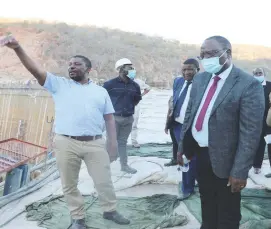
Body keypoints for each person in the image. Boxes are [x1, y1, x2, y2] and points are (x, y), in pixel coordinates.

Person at [2, 35, 130, 229]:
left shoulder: (101, 91)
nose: (71, 67)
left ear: (89, 69)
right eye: (69, 64)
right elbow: (35, 70)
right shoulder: (59, 84)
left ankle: (110, 210)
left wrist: (112, 143)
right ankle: (77, 218)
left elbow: (109, 118)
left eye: (77, 64)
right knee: (69, 183)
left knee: (104, 181)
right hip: (66, 142)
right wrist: (18, 48)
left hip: (95, 143)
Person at [177, 36, 265, 229]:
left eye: (212, 53)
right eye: (203, 54)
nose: (206, 57)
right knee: (207, 201)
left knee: (228, 212)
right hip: (201, 154)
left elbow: (250, 133)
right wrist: (183, 146)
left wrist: (240, 171)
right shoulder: (200, 79)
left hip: (228, 160)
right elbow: (190, 114)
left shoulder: (248, 84)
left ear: (228, 54)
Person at [164, 59, 199, 200]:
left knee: (190, 157)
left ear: (197, 69)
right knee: (185, 156)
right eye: (184, 70)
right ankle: (188, 186)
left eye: (190, 69)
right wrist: (168, 122)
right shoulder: (178, 82)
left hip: (193, 126)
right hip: (177, 125)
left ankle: (190, 185)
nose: (186, 72)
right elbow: (173, 102)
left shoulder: (202, 84)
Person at [103, 58, 142, 174]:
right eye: (128, 67)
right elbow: (102, 99)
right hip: (113, 118)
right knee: (110, 142)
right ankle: (105, 165)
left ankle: (124, 165)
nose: (132, 69)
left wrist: (127, 108)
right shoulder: (110, 84)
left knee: (122, 142)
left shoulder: (135, 85)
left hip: (128, 118)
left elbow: (136, 100)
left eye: (132, 67)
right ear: (120, 69)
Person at [252, 68, 271, 174]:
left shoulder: (270, 85)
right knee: (258, 144)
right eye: (256, 73)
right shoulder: (251, 86)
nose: (258, 74)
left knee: (270, 144)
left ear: (264, 74)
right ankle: (256, 166)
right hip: (256, 121)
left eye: (260, 73)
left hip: (269, 120)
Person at [131, 78, 151, 148]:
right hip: (123, 105)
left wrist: (140, 96)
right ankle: (120, 141)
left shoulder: (138, 81)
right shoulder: (121, 81)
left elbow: (148, 88)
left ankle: (134, 141)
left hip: (135, 104)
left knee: (134, 124)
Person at [164, 96, 179, 166]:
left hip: (182, 123)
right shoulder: (172, 98)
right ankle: (175, 159)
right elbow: (169, 111)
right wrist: (167, 125)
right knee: (175, 142)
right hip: (173, 122)